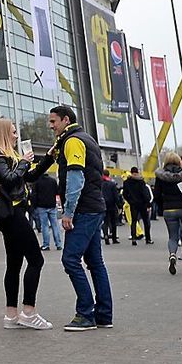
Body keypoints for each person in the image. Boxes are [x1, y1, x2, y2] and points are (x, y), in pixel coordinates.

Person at [43, 105, 112, 332]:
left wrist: (68, 212)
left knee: (70, 260)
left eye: (53, 121)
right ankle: (104, 314)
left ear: (65, 119)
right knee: (95, 262)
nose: (51, 126)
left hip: (84, 210)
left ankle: (85, 314)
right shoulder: (86, 139)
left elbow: (75, 178)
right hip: (95, 207)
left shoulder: (72, 141)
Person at [0, 118, 53, 331]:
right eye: (13, 132)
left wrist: (47, 160)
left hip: (13, 213)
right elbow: (10, 179)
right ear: (3, 133)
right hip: (12, 215)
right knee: (36, 260)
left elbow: (28, 177)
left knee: (14, 263)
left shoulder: (7, 156)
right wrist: (23, 162)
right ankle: (29, 312)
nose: (16, 136)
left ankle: (11, 315)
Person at [153, 152, 182, 274]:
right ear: (179, 162)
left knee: (173, 237)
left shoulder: (160, 176)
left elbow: (156, 195)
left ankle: (172, 254)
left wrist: (162, 207)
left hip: (169, 209)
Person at [122, 166, 153, 245]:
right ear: (137, 172)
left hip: (133, 204)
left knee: (134, 221)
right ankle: (148, 239)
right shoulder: (141, 181)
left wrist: (130, 201)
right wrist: (148, 204)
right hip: (142, 204)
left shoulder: (126, 182)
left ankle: (133, 238)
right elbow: (145, 193)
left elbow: (125, 194)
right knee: (146, 221)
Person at [32, 173, 62, 251]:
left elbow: (34, 195)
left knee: (44, 226)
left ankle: (46, 245)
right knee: (55, 225)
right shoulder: (53, 181)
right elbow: (57, 192)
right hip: (52, 205)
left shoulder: (37, 182)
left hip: (41, 206)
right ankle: (58, 244)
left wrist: (34, 206)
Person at [100, 169, 122, 245]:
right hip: (111, 204)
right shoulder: (112, 184)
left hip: (102, 204)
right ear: (108, 175)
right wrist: (119, 205)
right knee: (113, 222)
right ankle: (114, 238)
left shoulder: (100, 183)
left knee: (105, 221)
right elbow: (116, 196)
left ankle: (106, 235)